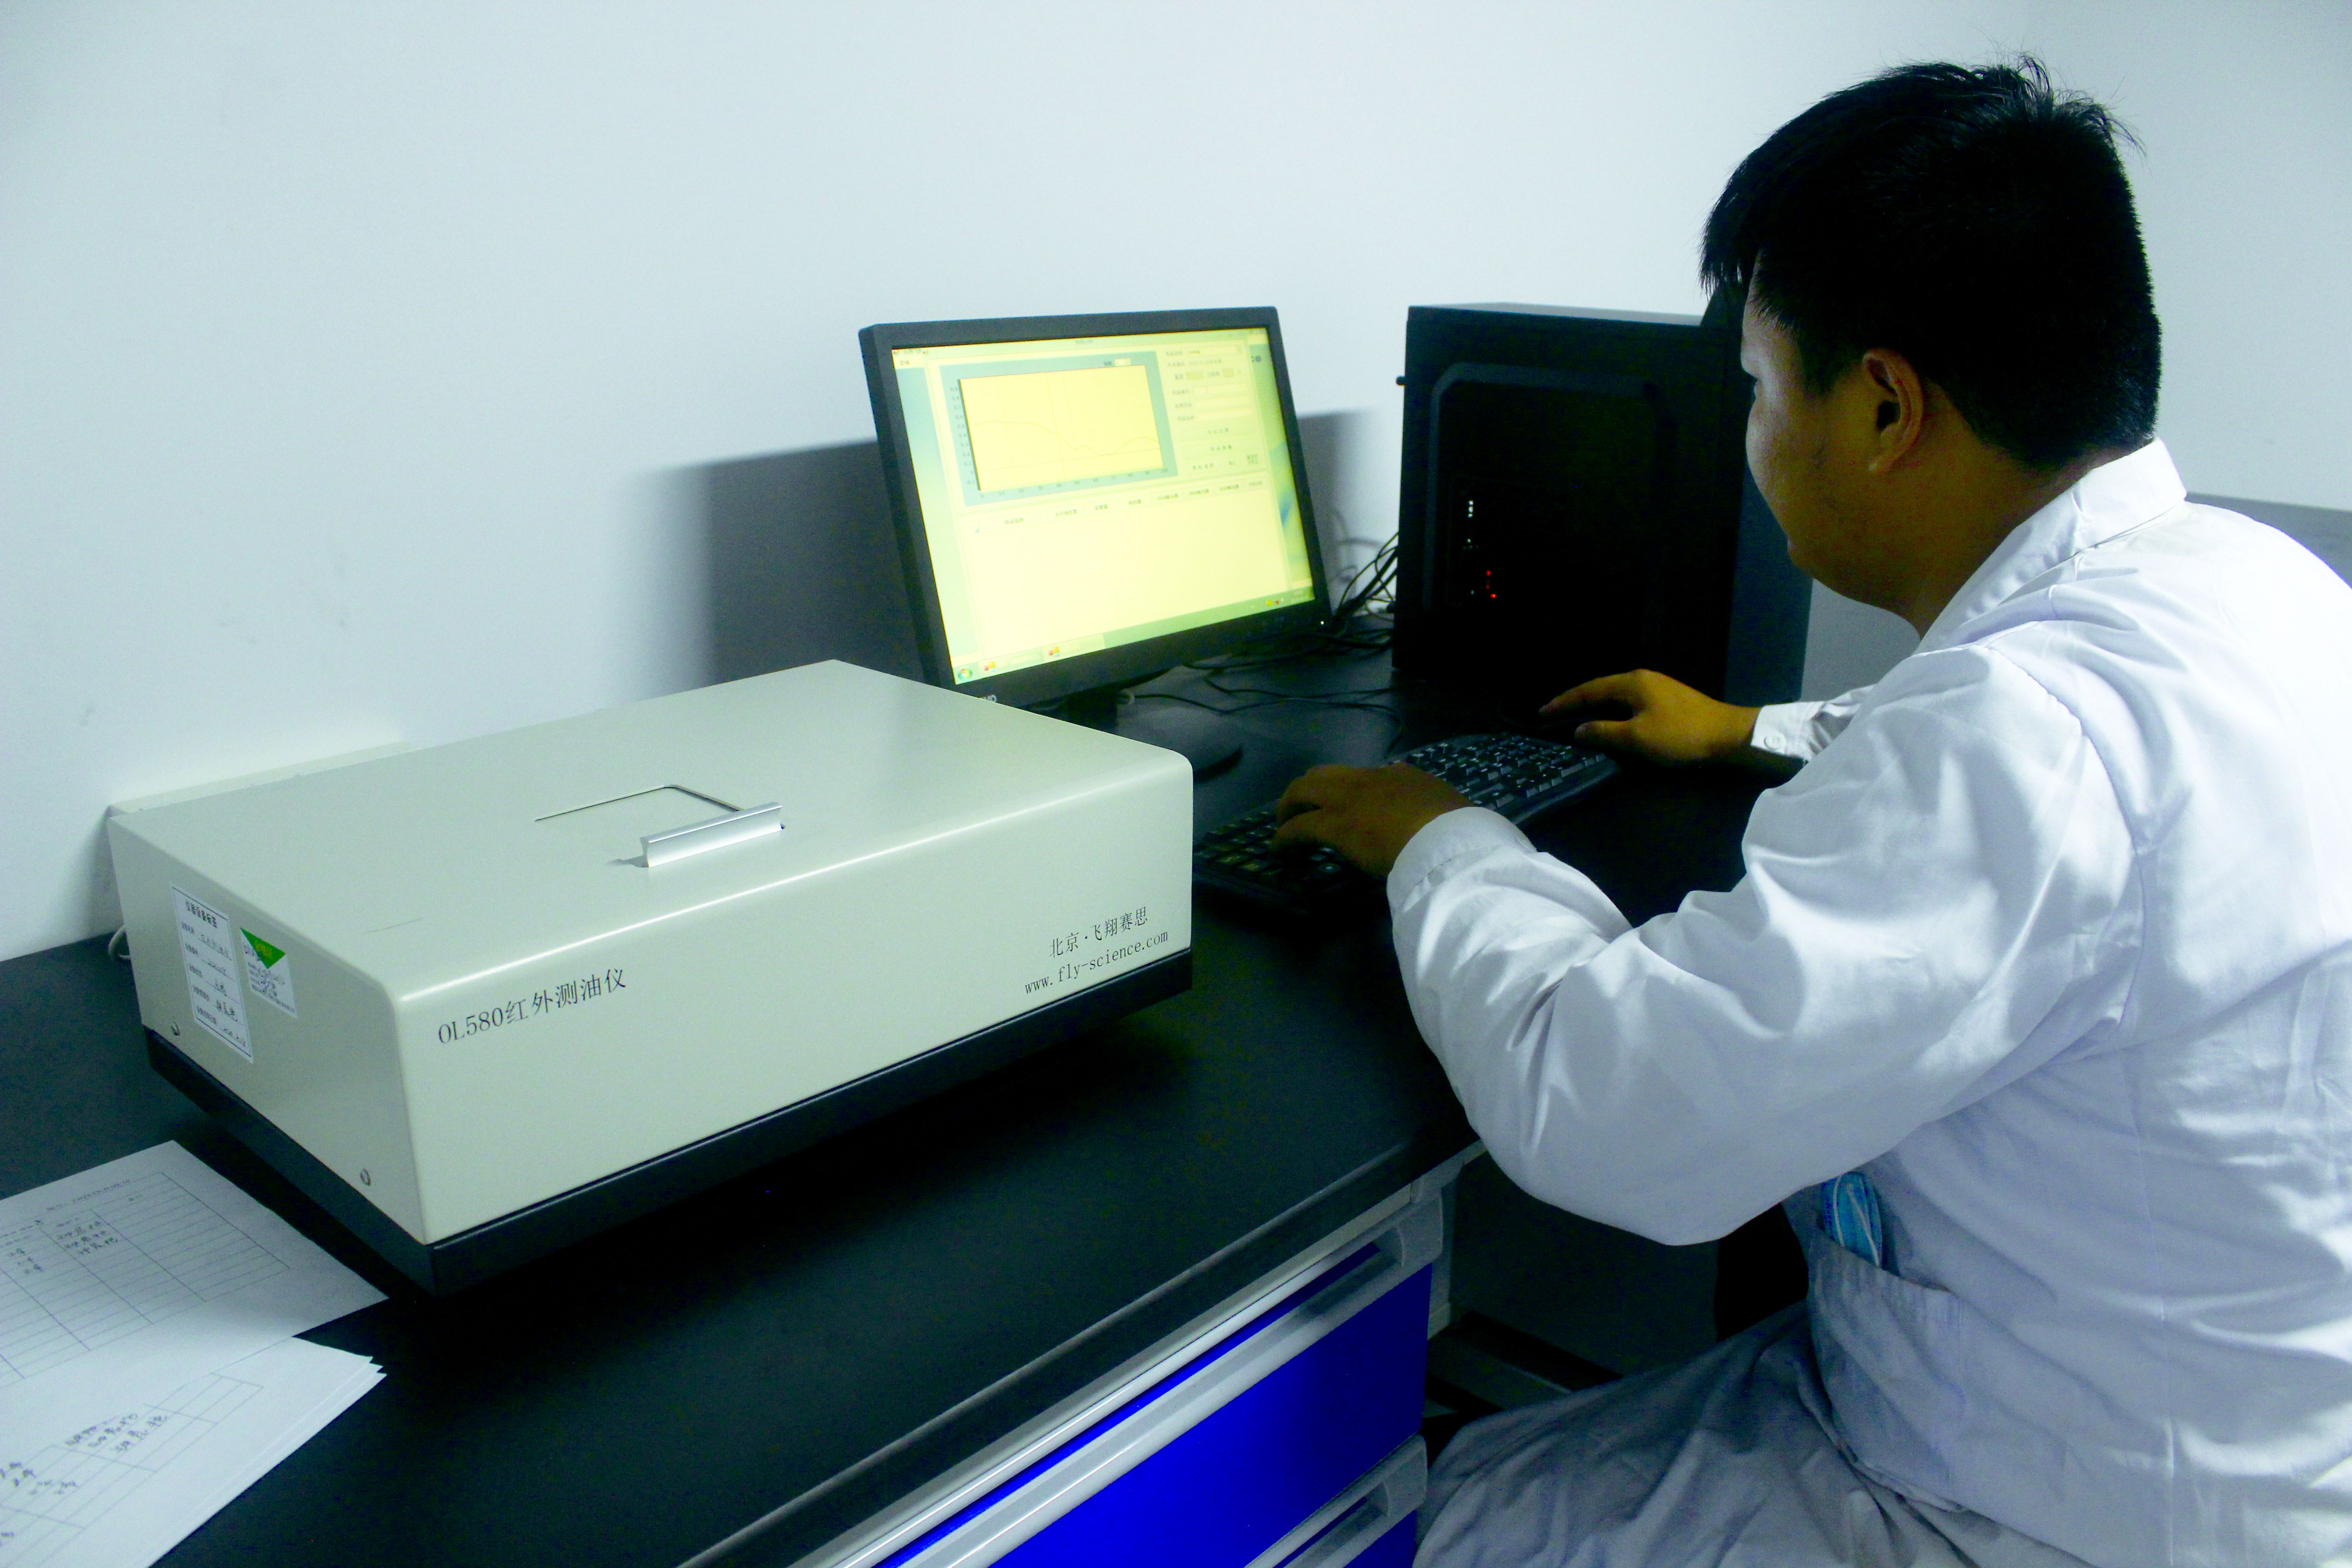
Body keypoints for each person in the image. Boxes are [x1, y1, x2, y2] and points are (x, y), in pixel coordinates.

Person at [1275, 59, 2352, 1568]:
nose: (1752, 432)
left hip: (2039, 1514)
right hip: (2211, 1427)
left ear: (1886, 407)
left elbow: (1601, 1105)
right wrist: (1757, 730)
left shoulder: (2018, 744)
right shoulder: (2254, 586)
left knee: (1390, 1528)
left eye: (1761, 388)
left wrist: (1441, 841)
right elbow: (2050, 783)